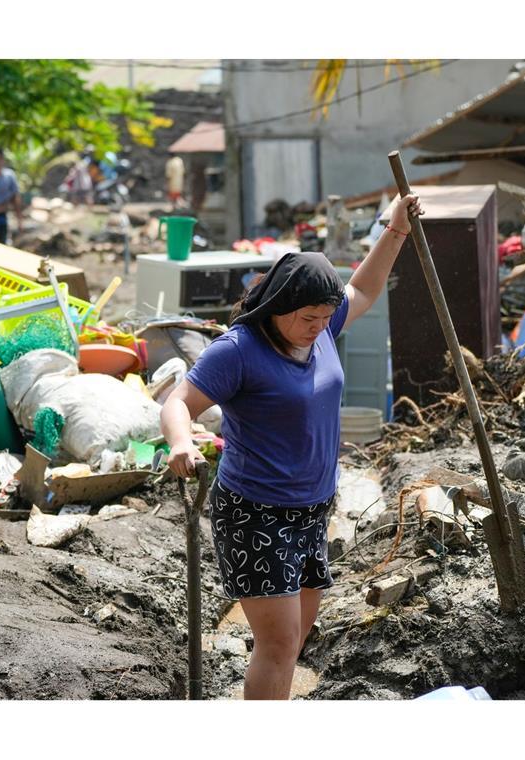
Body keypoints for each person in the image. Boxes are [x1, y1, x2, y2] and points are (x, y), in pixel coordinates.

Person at [161, 193, 423, 700]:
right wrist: (179, 442)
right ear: (280, 306)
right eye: (309, 318)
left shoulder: (321, 328)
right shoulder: (238, 351)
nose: (319, 326)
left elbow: (364, 287)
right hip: (256, 512)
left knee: (295, 639)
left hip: (312, 507)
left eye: (326, 317)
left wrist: (397, 230)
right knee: (278, 643)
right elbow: (179, 401)